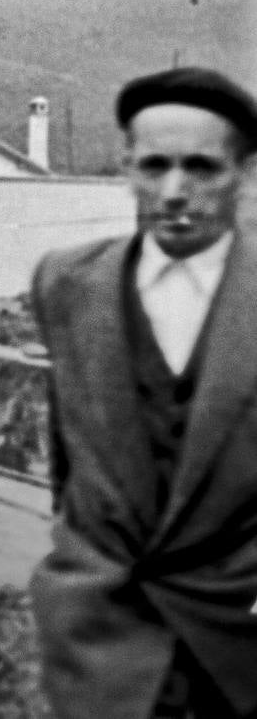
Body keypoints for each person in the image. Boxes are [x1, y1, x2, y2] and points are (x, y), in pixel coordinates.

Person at [30, 67, 257, 719]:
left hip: (240, 642)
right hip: (100, 643)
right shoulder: (66, 283)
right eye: (153, 166)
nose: (174, 192)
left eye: (201, 168)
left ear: (239, 174)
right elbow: (68, 458)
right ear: (125, 164)